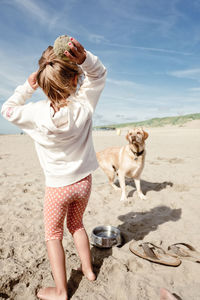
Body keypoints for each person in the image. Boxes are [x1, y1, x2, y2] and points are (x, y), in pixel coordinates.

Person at [1, 37, 107, 300]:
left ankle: (61, 291)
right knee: (77, 224)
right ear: (74, 80)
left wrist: (27, 87)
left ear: (44, 85)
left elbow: (8, 110)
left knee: (53, 235)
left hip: (58, 187)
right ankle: (88, 270)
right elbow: (99, 74)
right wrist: (85, 60)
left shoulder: (35, 114)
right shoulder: (84, 106)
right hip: (83, 182)